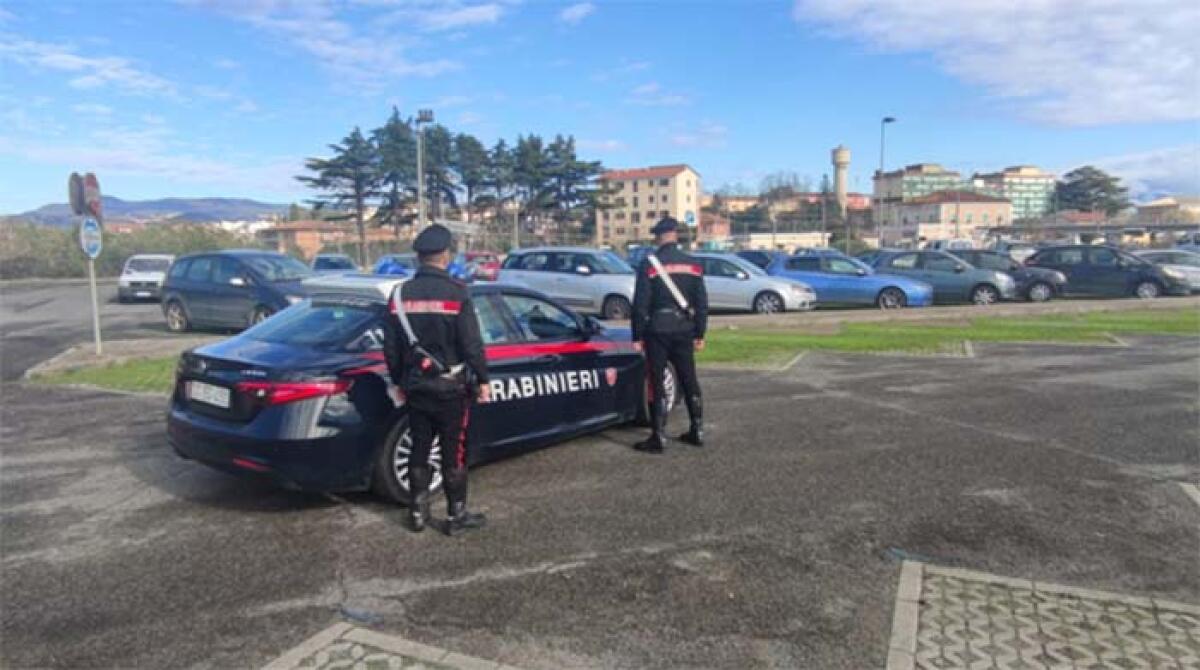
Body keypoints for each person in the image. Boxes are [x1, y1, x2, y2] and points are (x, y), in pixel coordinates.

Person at [382, 224, 491, 535]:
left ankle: (417, 512)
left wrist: (399, 381)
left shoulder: (399, 295)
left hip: (416, 386)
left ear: (418, 257)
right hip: (451, 388)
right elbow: (472, 344)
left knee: (419, 447)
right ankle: (456, 517)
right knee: (453, 450)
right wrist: (483, 380)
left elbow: (391, 347)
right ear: (445, 255)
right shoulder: (457, 293)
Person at [631, 216, 708, 453]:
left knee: (657, 380)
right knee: (689, 378)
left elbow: (641, 303)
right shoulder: (693, 264)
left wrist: (637, 336)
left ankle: (658, 435)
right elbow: (702, 302)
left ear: (658, 236)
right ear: (676, 235)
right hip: (684, 328)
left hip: (657, 329)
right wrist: (700, 332)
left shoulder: (649, 264)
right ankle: (697, 429)